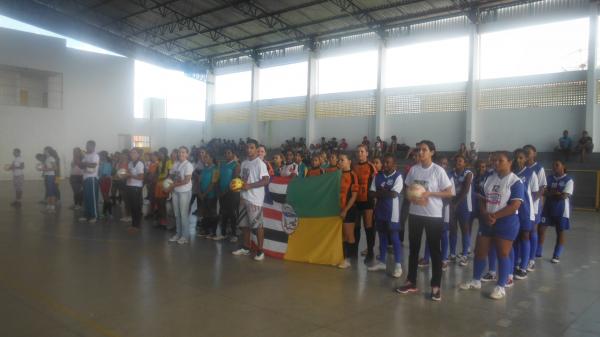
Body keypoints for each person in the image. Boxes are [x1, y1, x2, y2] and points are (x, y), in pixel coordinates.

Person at [460, 151, 524, 300]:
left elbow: (515, 205)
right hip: (487, 220)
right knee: (480, 251)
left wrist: (495, 216)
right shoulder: (489, 178)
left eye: (500, 160)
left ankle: (501, 286)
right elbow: (481, 199)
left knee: (503, 253)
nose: (496, 163)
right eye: (494, 160)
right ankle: (476, 280)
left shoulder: (515, 181)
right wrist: (484, 213)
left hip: (506, 222)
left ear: (509, 162)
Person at [396, 140, 453, 302]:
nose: (420, 153)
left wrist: (430, 194)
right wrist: (413, 196)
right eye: (418, 150)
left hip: (433, 216)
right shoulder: (413, 170)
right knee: (413, 249)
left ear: (432, 152)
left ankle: (436, 286)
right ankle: (411, 282)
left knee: (435, 251)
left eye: (424, 150)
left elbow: (449, 193)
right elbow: (407, 189)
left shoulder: (438, 171)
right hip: (415, 214)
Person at [232, 139, 270, 261]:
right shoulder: (244, 163)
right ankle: (246, 247)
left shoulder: (260, 163)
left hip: (255, 200)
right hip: (244, 198)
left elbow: (266, 180)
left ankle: (260, 251)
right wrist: (236, 185)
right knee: (244, 225)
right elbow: (243, 179)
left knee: (258, 226)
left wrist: (250, 186)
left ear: (256, 149)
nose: (249, 150)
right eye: (247, 147)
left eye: (252, 147)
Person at [367, 154, 404, 278]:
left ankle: (398, 265)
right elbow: (371, 194)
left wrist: (380, 193)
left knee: (394, 237)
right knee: (381, 236)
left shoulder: (398, 176)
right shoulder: (378, 176)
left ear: (394, 164)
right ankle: (382, 262)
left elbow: (394, 194)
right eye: (384, 162)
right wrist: (384, 192)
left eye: (388, 163)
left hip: (392, 212)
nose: (386, 165)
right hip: (380, 210)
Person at [538, 160, 574, 263]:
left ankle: (556, 255)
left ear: (563, 166)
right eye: (553, 165)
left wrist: (552, 193)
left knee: (560, 232)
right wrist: (555, 193)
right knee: (541, 229)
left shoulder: (568, 180)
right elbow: (543, 192)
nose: (554, 167)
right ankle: (538, 252)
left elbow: (564, 196)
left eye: (557, 165)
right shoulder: (549, 178)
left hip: (561, 210)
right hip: (547, 208)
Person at [512, 149, 538, 280]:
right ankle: (515, 264)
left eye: (521, 158)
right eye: (516, 158)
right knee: (515, 238)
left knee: (525, 236)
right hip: (513, 210)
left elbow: (534, 193)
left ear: (526, 159)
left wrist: (530, 207)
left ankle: (523, 267)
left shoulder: (530, 173)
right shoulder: (511, 173)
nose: (518, 160)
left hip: (526, 211)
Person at [353, 144, 377, 263]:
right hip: (356, 201)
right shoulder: (354, 167)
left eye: (362, 152)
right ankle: (354, 252)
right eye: (358, 152)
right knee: (356, 227)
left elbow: (376, 184)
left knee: (368, 227)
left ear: (367, 153)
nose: (360, 154)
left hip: (367, 201)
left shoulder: (371, 167)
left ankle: (370, 252)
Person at [524, 144, 546, 272]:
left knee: (532, 230)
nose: (527, 154)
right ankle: (523, 257)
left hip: (534, 206)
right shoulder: (521, 167)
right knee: (523, 232)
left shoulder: (539, 168)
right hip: (522, 206)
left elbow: (542, 188)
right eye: (525, 151)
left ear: (534, 154)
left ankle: (531, 259)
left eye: (529, 152)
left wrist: (531, 201)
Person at [449, 154, 473, 266]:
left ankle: (465, 255)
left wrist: (456, 204)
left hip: (464, 205)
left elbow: (465, 190)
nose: (457, 163)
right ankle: (452, 254)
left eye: (460, 161)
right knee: (453, 229)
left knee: (465, 229)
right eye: (457, 161)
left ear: (465, 163)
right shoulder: (451, 173)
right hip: (453, 203)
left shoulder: (468, 173)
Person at [166, 146, 194, 244]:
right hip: (175, 191)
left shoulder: (188, 165)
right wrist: (167, 182)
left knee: (183, 214)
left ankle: (185, 236)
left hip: (184, 192)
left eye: (183, 152)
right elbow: (172, 175)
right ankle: (178, 234)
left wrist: (172, 185)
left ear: (187, 154)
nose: (180, 154)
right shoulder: (176, 163)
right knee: (177, 214)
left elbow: (186, 180)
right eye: (179, 152)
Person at [337, 153, 359, 269]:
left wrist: (345, 210)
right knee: (342, 235)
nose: (339, 162)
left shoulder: (352, 175)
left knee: (349, 235)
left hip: (349, 209)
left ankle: (349, 259)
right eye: (339, 160)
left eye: (342, 160)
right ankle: (343, 257)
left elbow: (354, 196)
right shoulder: (337, 175)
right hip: (339, 210)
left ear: (349, 161)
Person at [219, 148, 241, 242]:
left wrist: (226, 191)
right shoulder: (223, 165)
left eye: (229, 153)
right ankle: (223, 233)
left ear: (233, 154)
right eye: (225, 153)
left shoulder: (236, 165)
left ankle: (234, 234)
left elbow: (234, 180)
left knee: (232, 213)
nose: (226, 154)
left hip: (232, 193)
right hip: (222, 192)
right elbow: (220, 178)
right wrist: (220, 190)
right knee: (223, 213)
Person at [198, 151, 220, 239]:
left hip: (211, 195)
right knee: (205, 213)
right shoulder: (205, 169)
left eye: (206, 157)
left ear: (211, 158)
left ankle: (213, 232)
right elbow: (200, 181)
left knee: (212, 213)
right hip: (203, 194)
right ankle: (206, 230)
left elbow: (213, 183)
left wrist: (205, 193)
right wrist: (200, 192)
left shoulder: (216, 169)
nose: (204, 158)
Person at [79, 140, 100, 223]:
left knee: (92, 198)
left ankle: (94, 216)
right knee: (86, 198)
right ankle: (86, 215)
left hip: (92, 178)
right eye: (86, 145)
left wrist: (84, 164)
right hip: (85, 178)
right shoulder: (85, 156)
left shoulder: (95, 155)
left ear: (93, 146)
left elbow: (93, 165)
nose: (86, 147)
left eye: (88, 146)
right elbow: (81, 166)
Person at [124, 148, 145, 233]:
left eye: (134, 153)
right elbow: (128, 174)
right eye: (131, 153)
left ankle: (137, 225)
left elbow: (141, 177)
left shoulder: (140, 164)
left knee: (136, 207)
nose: (131, 154)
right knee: (132, 207)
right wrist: (123, 175)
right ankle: (133, 225)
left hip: (136, 187)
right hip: (129, 186)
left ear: (138, 155)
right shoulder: (130, 163)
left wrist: (130, 175)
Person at [154, 148, 172, 228]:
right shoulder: (160, 162)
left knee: (162, 203)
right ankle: (161, 220)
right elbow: (157, 173)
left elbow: (170, 174)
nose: (159, 155)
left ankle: (164, 221)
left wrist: (164, 180)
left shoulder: (169, 162)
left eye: (160, 153)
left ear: (164, 153)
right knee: (158, 202)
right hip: (158, 183)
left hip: (164, 183)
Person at [41, 147, 60, 214]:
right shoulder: (47, 158)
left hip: (50, 176)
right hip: (47, 176)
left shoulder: (51, 158)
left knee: (51, 192)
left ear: (48, 151)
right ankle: (48, 207)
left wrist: (46, 170)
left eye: (44, 151)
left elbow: (55, 168)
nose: (43, 152)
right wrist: (43, 169)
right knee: (49, 192)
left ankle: (52, 208)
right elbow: (48, 167)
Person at [98, 151, 114, 219]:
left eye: (101, 156)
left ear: (104, 156)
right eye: (100, 156)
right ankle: (105, 213)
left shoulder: (107, 164)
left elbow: (104, 175)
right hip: (103, 181)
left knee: (106, 197)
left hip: (105, 181)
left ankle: (109, 213)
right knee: (105, 197)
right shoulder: (102, 163)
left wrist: (99, 180)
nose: (100, 157)